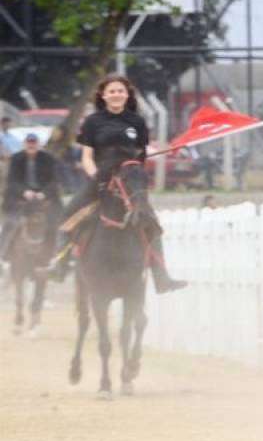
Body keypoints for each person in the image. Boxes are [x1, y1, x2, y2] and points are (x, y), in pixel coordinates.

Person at [47, 74, 185, 293]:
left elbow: (141, 155)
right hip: (100, 177)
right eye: (112, 91)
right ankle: (59, 264)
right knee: (68, 214)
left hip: (131, 179)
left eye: (120, 90)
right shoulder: (92, 122)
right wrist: (96, 178)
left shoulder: (137, 122)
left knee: (151, 223)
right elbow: (87, 157)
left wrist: (145, 161)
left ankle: (162, 276)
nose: (116, 94)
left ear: (127, 94)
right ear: (103, 95)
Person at [0, 133, 62, 262]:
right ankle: (2, 254)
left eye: (34, 142)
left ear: (38, 144)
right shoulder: (16, 158)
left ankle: (57, 256)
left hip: (44, 199)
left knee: (55, 224)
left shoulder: (48, 158)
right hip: (21, 199)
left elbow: (54, 181)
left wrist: (43, 193)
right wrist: (24, 192)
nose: (31, 144)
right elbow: (12, 181)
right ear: (24, 144)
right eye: (29, 142)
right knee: (11, 223)